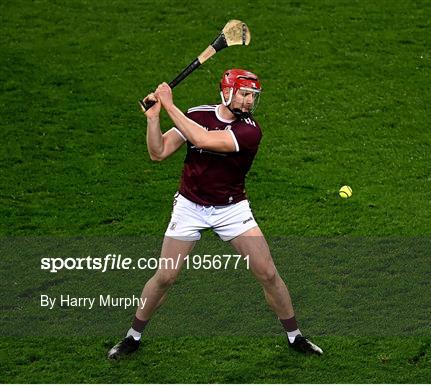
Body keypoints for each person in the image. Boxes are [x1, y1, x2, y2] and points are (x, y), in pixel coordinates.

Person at [107, 69, 322, 359]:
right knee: (166, 276)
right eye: (244, 94)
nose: (248, 102)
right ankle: (133, 336)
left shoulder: (250, 130)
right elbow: (158, 153)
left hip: (231, 209)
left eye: (253, 96)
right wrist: (154, 117)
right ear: (227, 92)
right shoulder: (197, 114)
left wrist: (170, 105)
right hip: (190, 206)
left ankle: (295, 337)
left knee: (268, 273)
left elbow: (205, 140)